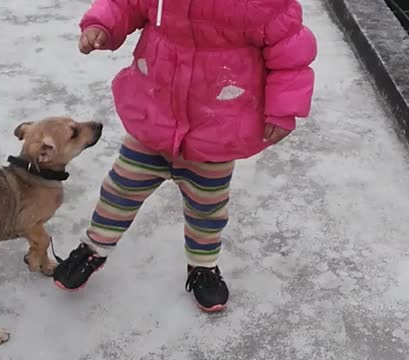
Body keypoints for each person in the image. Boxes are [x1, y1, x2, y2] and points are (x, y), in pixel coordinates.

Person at [53, 0, 317, 312]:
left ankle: (203, 267)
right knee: (119, 191)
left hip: (215, 128)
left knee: (207, 209)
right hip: (155, 116)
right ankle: (94, 248)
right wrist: (102, 25)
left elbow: (290, 53)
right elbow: (124, 4)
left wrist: (284, 108)